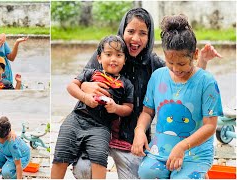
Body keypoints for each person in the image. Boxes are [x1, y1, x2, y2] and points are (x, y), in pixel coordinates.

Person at [73, 7, 222, 179]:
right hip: (99, 130)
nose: (135, 38)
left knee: (145, 173)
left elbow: (190, 85)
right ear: (123, 30)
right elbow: (79, 81)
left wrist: (201, 61)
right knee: (89, 169)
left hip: (145, 144)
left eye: (142, 33)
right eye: (130, 31)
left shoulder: (156, 66)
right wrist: (85, 88)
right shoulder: (108, 52)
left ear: (149, 36)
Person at [131, 14, 223, 179]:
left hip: (195, 154)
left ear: (195, 55)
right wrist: (139, 131)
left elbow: (210, 126)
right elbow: (147, 111)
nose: (175, 69)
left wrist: (182, 147)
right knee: (146, 173)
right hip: (161, 150)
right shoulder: (158, 76)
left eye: (181, 64)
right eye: (170, 63)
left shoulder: (207, 82)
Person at [51, 35, 134, 179]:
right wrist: (85, 97)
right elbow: (71, 86)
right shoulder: (92, 73)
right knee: (61, 154)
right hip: (77, 119)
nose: (113, 59)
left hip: (101, 126)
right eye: (108, 54)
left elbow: (128, 108)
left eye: (119, 55)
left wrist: (115, 108)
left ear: (125, 59)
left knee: (99, 158)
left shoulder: (126, 84)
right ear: (99, 58)